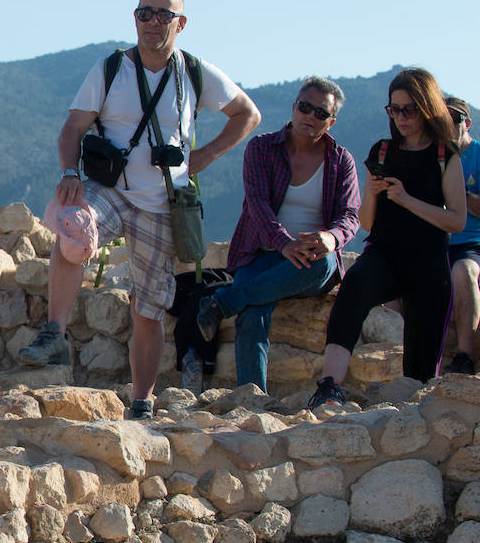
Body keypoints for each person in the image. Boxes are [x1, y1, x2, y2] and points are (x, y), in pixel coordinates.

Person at [16, 0, 261, 420]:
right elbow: (72, 129)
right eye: (144, 14)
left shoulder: (194, 74)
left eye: (163, 16)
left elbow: (248, 114)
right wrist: (70, 173)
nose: (152, 23)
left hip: (163, 202)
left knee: (147, 308)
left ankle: (142, 400)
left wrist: (203, 156)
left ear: (180, 24)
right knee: (71, 224)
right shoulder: (111, 68)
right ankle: (54, 332)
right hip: (110, 189)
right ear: (134, 18)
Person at [308, 69, 466, 406]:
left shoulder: (445, 156)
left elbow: (456, 220)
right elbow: (366, 222)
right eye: (394, 109)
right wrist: (373, 191)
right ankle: (329, 385)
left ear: (427, 108)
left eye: (409, 109)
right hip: (384, 253)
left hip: (429, 261)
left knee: (420, 374)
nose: (401, 117)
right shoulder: (381, 151)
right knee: (353, 291)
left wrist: (407, 200)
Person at [195, 78, 360, 390]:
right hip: (262, 254)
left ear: (331, 121)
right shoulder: (261, 148)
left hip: (312, 260)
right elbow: (257, 204)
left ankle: (222, 303)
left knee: (324, 264)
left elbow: (351, 215)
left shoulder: (341, 161)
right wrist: (284, 244)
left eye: (320, 113)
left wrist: (332, 238)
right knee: (252, 313)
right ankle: (252, 397)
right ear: (293, 107)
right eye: (305, 107)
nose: (310, 116)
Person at [444, 97, 480, 375]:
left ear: (467, 123)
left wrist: (460, 196)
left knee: (463, 271)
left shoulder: (478, 155)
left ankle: (465, 355)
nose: (447, 124)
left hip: (472, 242)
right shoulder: (433, 155)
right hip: (436, 240)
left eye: (454, 119)